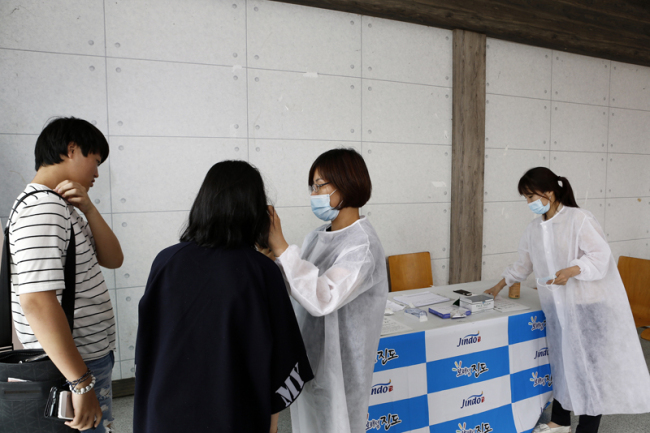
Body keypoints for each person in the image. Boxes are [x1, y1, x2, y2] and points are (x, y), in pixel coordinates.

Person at [133, 160, 313, 433]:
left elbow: (148, 341)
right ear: (254, 211)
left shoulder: (166, 261)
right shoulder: (262, 272)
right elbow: (281, 360)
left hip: (164, 413)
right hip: (233, 416)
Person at [485, 167, 650, 433]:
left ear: (549, 192)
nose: (529, 203)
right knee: (562, 364)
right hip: (557, 308)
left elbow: (600, 256)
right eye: (525, 198)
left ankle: (587, 428)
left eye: (531, 196)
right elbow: (523, 265)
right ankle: (560, 421)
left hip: (588, 307)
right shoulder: (534, 229)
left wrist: (573, 270)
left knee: (589, 371)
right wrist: (499, 285)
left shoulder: (579, 219)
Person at [8, 117, 123, 432]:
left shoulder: (61, 206)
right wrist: (81, 382)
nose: (97, 173)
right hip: (73, 365)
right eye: (95, 160)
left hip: (80, 360)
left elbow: (113, 259)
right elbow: (37, 301)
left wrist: (89, 209)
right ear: (72, 149)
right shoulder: (43, 208)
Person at [265, 148, 389, 433]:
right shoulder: (316, 237)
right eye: (312, 186)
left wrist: (282, 245)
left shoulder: (362, 246)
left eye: (320, 185)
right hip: (309, 361)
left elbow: (322, 298)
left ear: (347, 183)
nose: (314, 194)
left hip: (341, 371)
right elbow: (299, 286)